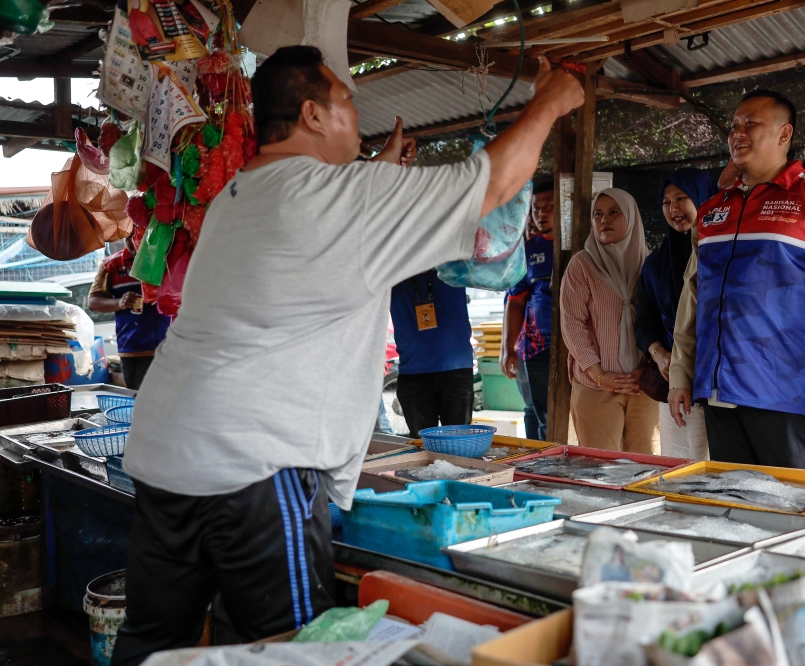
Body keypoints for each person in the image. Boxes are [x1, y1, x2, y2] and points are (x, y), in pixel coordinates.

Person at [111, 46, 584, 665]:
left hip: (166, 451)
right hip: (256, 464)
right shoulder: (339, 197)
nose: (357, 115)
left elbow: (330, 226)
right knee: (301, 651)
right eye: (346, 101)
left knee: (154, 640)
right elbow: (492, 184)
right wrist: (549, 102)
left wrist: (379, 169)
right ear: (312, 113)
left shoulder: (240, 194)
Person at [668, 89, 805, 469]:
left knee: (792, 505)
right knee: (733, 505)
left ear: (784, 134)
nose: (738, 133)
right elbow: (693, 299)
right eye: (733, 126)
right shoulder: (713, 211)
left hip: (785, 392)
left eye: (751, 124)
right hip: (717, 390)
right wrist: (682, 373)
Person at [560, 188, 658, 453]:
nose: (604, 220)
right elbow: (572, 324)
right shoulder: (582, 265)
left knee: (643, 469)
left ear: (631, 217)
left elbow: (661, 320)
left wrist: (648, 368)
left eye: (614, 212)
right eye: (598, 214)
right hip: (596, 387)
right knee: (600, 469)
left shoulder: (649, 264)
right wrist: (599, 374)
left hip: (643, 386)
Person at [634, 168, 717, 460]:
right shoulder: (655, 264)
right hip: (676, 386)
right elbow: (644, 318)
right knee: (679, 465)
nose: (674, 209)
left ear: (705, 200)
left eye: (682, 198)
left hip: (721, 385)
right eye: (666, 202)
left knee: (721, 470)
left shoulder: (723, 255)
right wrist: (658, 354)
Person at [390, 270, 474, 437]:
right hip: (413, 371)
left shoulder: (452, 264)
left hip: (456, 369)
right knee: (422, 448)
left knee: (458, 445)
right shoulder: (393, 267)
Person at [501, 178, 554, 440]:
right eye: (536, 208)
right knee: (540, 412)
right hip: (536, 348)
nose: (541, 213)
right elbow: (515, 302)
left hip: (578, 347)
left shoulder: (582, 245)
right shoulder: (527, 251)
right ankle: (542, 469)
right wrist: (508, 349)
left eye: (549, 206)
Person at [87, 230, 171, 390]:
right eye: (128, 238)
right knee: (139, 401)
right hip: (134, 349)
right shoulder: (111, 265)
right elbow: (93, 302)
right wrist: (120, 302)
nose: (133, 242)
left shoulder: (167, 260)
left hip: (171, 346)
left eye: (140, 235)